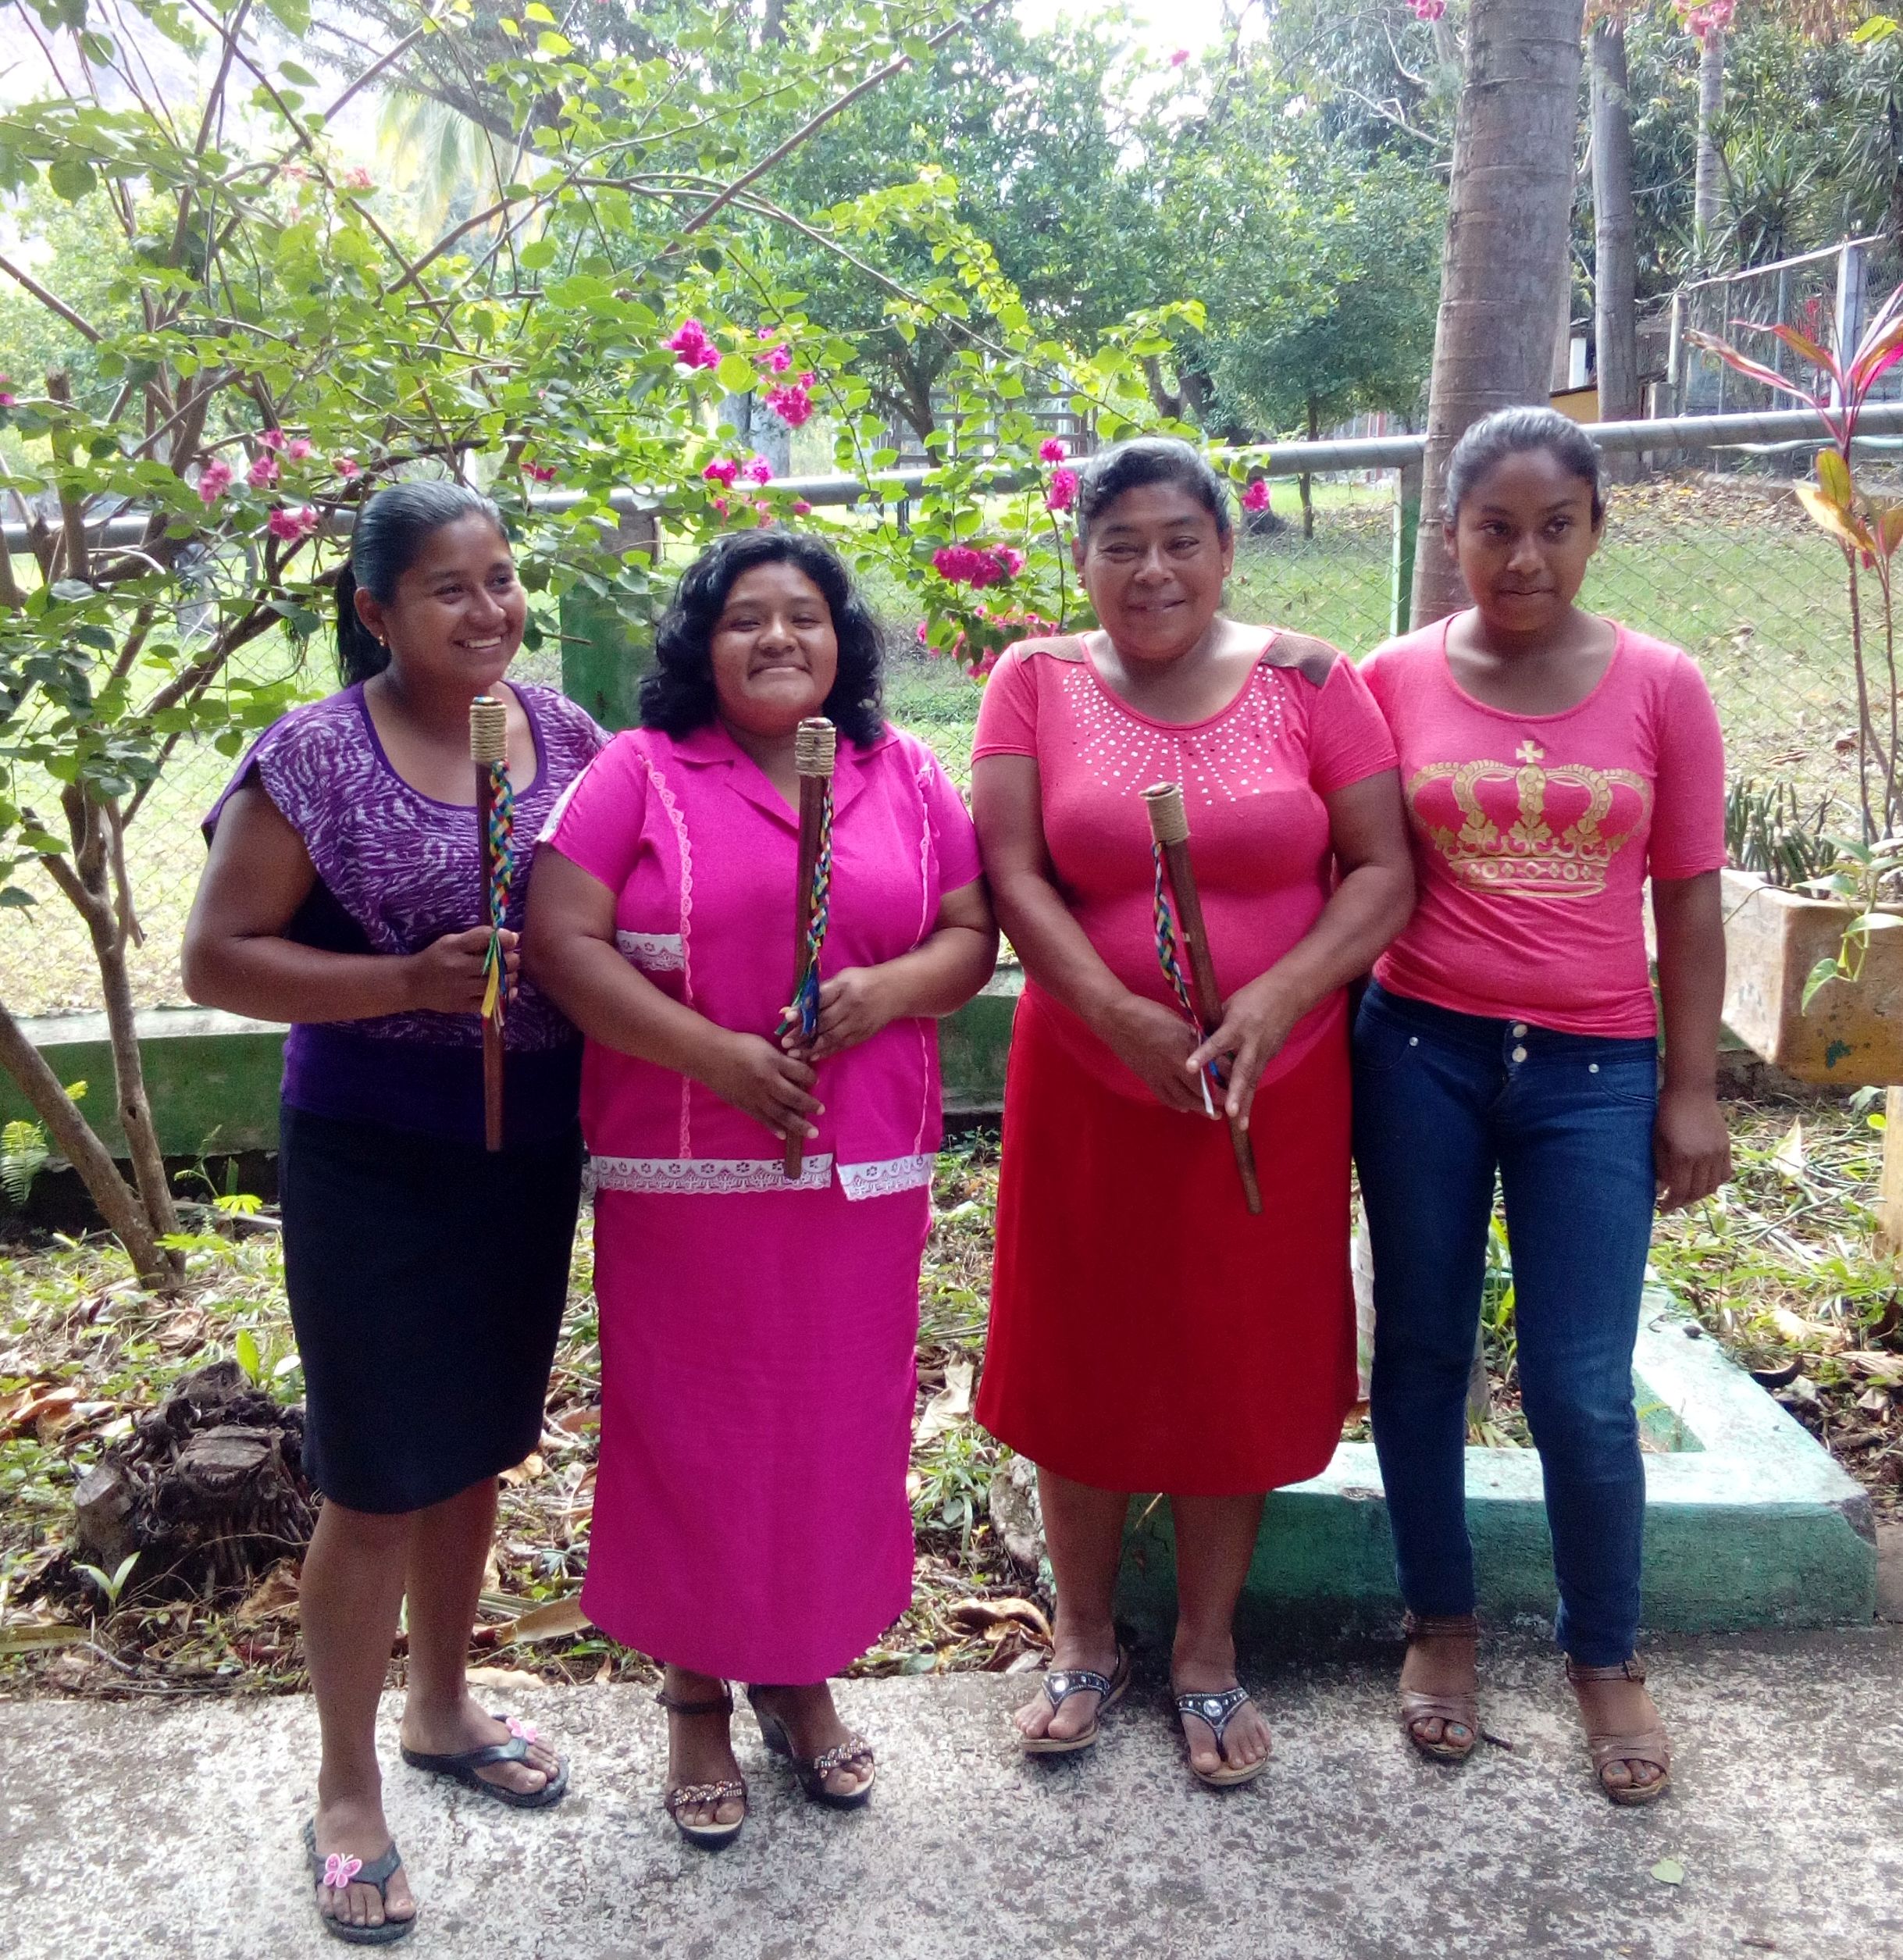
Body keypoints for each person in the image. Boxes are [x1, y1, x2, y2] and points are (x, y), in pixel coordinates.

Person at [524, 528, 996, 1848]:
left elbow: (971, 932)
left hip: (859, 1175)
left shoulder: (904, 773)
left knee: (833, 1429)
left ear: (842, 640)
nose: (777, 637)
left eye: (804, 614)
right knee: (697, 1428)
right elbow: (558, 939)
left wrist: (886, 990)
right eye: (745, 617)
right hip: (687, 1174)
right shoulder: (639, 771)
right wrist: (714, 1056)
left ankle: (799, 1670)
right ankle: (692, 1688)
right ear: (702, 644)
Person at [184, 480, 604, 1942]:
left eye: (502, 578)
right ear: (375, 609)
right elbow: (217, 958)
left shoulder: (568, 737)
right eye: (447, 587)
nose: (489, 610)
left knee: (476, 1439)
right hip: (371, 1152)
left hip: (526, 1143)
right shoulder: (311, 756)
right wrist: (406, 982)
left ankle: (441, 1705)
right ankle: (347, 1784)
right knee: (374, 1476)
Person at [968, 437, 1415, 1789]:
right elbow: (1011, 874)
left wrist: (1275, 1000)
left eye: (1179, 541)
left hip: (1272, 1081)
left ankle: (1207, 1645)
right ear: (1082, 560)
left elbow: (1381, 873)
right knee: (1082, 1343)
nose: (1150, 569)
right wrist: (1117, 1013)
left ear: (1225, 551)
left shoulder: (1312, 679)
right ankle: (1083, 1634)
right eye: (1119, 544)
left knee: (1238, 1350)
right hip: (1089, 1079)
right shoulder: (1032, 679)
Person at [1354, 406, 1731, 1805]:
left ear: (1594, 531)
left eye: (1554, 527)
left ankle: (1603, 1651)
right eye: (1494, 529)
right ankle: (1439, 1622)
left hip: (1593, 1071)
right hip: (1421, 1053)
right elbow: (1345, 866)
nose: (1523, 558)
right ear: (1450, 534)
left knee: (1579, 1380)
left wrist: (1688, 1087)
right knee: (1421, 1351)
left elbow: (1687, 898)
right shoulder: (1388, 678)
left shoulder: (1661, 685)